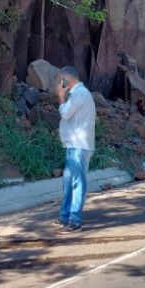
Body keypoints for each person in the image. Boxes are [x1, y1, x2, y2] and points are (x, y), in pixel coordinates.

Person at [54, 66, 96, 234]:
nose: (60, 83)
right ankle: (65, 216)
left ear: (67, 79)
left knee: (77, 183)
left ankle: (74, 222)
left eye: (61, 80)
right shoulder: (81, 94)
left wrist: (60, 97)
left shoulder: (79, 94)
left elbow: (65, 113)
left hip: (78, 146)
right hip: (74, 145)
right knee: (69, 183)